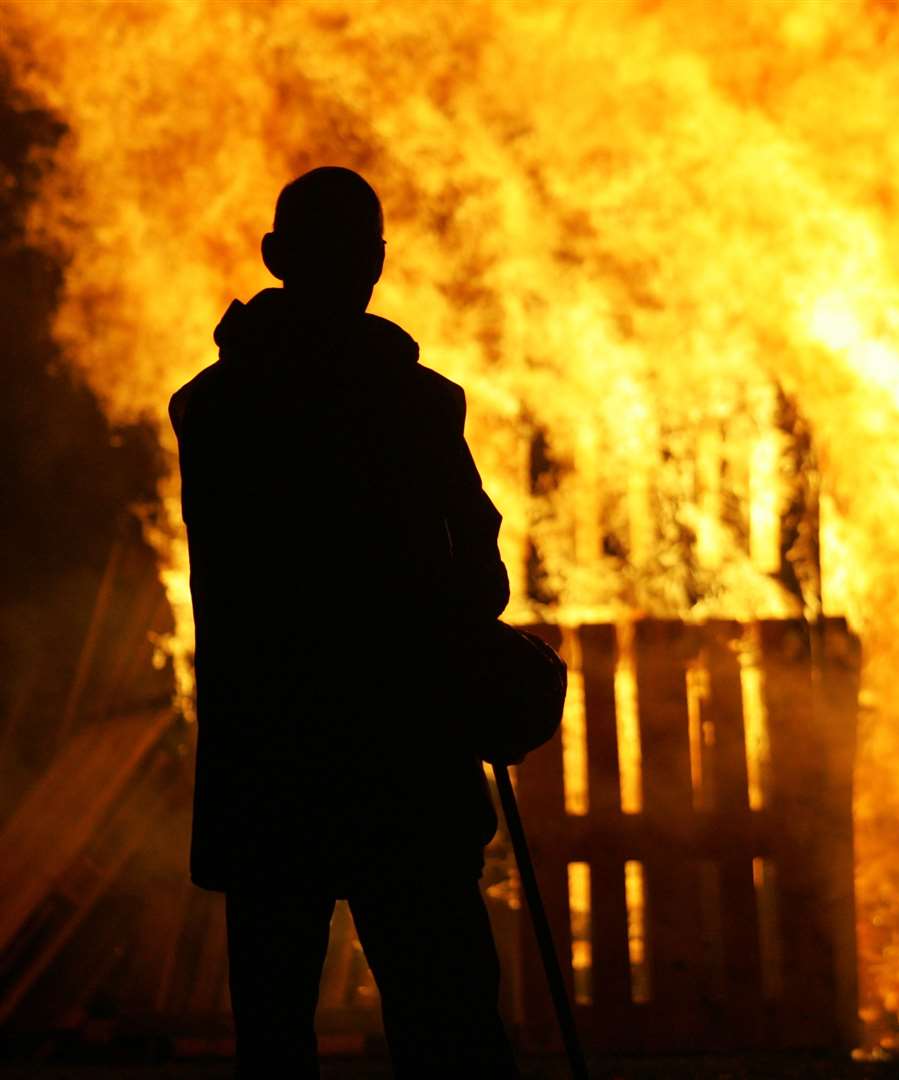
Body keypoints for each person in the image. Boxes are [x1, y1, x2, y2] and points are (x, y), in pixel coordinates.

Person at [169, 166, 520, 1078]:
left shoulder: (211, 410)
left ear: (276, 257)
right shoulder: (419, 408)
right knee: (447, 1028)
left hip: (268, 765)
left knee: (275, 1037)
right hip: (401, 765)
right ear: (376, 264)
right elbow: (482, 582)